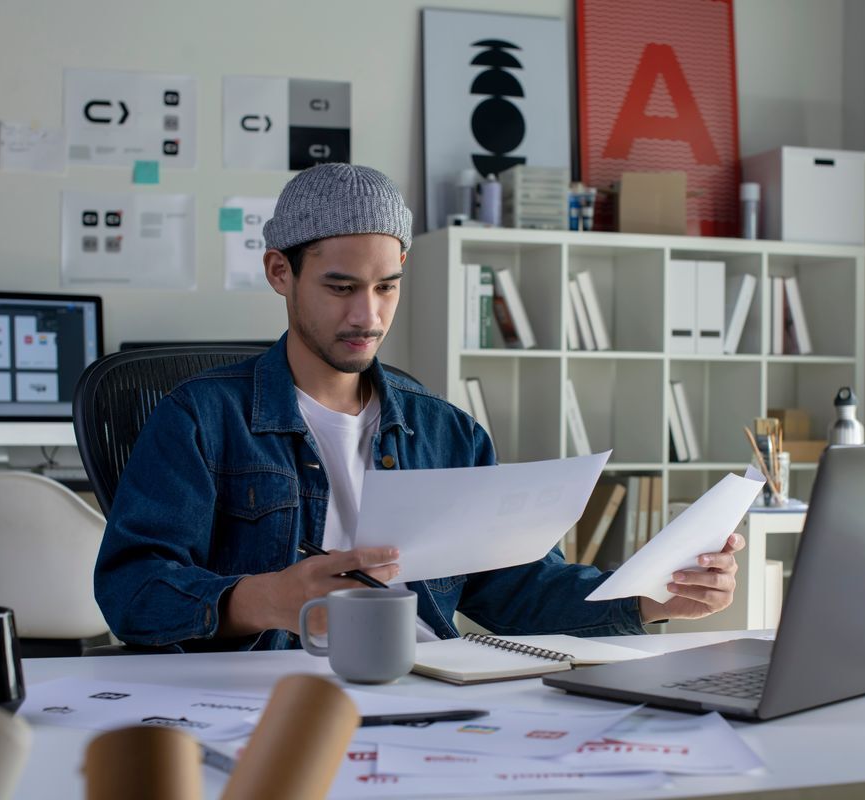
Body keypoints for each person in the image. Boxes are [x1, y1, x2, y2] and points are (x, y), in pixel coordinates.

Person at [94, 163, 746, 651]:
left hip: (429, 693)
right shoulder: (201, 419)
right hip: (270, 699)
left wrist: (657, 596)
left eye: (386, 287)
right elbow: (130, 591)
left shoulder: (447, 431)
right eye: (340, 287)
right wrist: (269, 599)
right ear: (279, 273)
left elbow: (515, 593)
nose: (367, 315)